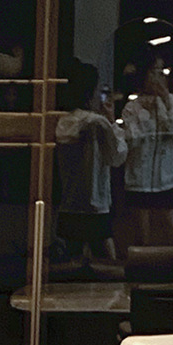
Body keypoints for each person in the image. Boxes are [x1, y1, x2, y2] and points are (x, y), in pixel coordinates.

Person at [54, 59, 126, 265]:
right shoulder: (97, 123)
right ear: (91, 93)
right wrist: (112, 122)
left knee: (71, 261)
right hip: (96, 202)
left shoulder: (62, 120)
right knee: (107, 262)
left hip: (69, 201)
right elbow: (116, 156)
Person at [121, 56, 173, 247]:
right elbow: (132, 139)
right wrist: (145, 113)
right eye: (154, 72)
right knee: (142, 237)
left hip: (166, 178)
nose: (158, 77)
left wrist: (166, 101)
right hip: (139, 179)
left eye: (161, 71)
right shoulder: (132, 106)